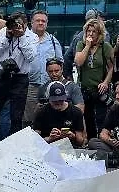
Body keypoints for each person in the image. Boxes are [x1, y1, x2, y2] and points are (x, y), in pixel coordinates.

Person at [0, 12, 37, 145]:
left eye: (19, 24)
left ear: (26, 24)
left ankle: (13, 146)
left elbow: (31, 56)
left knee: (16, 116)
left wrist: (21, 37)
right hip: (2, 75)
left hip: (20, 78)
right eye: (14, 24)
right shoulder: (4, 32)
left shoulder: (32, 36)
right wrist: (7, 36)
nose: (16, 27)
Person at [73, 17, 114, 146]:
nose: (90, 34)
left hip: (100, 88)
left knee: (101, 118)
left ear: (99, 33)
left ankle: (103, 143)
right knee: (88, 118)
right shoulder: (81, 44)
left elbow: (111, 67)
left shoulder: (105, 47)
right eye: (88, 31)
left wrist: (106, 82)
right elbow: (78, 62)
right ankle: (92, 143)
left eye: (94, 31)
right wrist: (87, 46)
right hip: (85, 88)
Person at [24, 10, 63, 125]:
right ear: (31, 22)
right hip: (30, 87)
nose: (41, 23)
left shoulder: (53, 41)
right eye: (38, 20)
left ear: (47, 23)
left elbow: (60, 62)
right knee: (29, 120)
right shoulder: (24, 39)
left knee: (49, 120)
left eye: (43, 21)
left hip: (49, 87)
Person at [30, 81, 86, 148]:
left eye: (61, 100)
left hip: (71, 147)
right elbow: (35, 141)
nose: (58, 103)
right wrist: (50, 138)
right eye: (54, 101)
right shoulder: (42, 112)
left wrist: (72, 136)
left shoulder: (75, 112)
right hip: (48, 147)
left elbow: (81, 141)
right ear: (48, 98)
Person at [63, 9, 100, 81]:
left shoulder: (78, 36)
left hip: (83, 79)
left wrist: (69, 76)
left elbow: (67, 58)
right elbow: (69, 58)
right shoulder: (103, 35)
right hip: (96, 79)